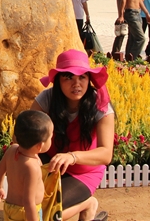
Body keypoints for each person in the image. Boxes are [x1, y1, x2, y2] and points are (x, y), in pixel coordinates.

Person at [31, 49, 113, 221]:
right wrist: (31, 158)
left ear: (89, 79)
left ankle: (87, 204)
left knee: (45, 216)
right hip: (51, 163)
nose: (76, 84)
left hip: (83, 171)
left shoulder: (99, 104)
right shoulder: (46, 99)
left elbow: (106, 154)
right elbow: (23, 137)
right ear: (58, 80)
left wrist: (72, 157)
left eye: (82, 77)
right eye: (68, 77)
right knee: (28, 207)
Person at [0, 110, 54, 221]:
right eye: (50, 137)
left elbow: (0, 170)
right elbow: (28, 201)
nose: (51, 139)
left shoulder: (12, 150)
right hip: (26, 213)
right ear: (40, 146)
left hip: (10, 207)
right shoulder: (32, 167)